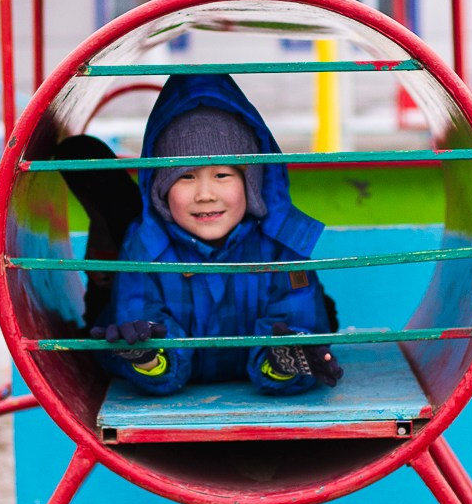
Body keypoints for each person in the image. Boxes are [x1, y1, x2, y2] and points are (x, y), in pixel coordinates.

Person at [91, 73, 342, 396]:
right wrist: (150, 359)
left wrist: (283, 364)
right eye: (186, 176)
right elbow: (141, 320)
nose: (205, 194)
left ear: (251, 181)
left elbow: (298, 319)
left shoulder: (282, 246)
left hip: (260, 393)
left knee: (322, 313)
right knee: (107, 320)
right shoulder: (145, 247)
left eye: (222, 174)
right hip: (178, 388)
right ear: (160, 188)